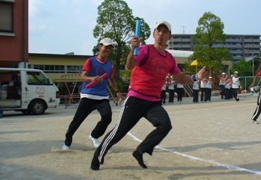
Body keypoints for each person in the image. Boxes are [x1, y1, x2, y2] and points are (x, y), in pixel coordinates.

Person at [90, 20, 207, 170]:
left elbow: (181, 79)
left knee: (165, 125)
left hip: (153, 102)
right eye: (158, 31)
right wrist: (133, 49)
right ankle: (97, 157)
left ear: (169, 37)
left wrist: (196, 77)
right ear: (153, 34)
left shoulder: (170, 59)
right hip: (136, 99)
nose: (161, 34)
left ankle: (140, 150)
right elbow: (130, 66)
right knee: (119, 132)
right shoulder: (145, 50)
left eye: (164, 32)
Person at [62, 38, 122, 150]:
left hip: (102, 97)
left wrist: (117, 91)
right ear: (100, 47)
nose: (107, 49)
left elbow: (111, 79)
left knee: (107, 117)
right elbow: (82, 76)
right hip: (88, 95)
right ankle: (67, 140)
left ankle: (94, 135)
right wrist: (92, 78)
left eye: (110, 48)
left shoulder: (110, 64)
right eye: (105, 47)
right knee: (77, 121)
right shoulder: (90, 61)